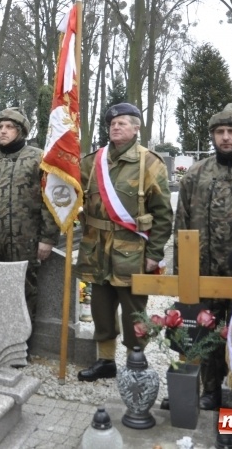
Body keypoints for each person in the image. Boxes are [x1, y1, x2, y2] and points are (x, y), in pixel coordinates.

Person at [173, 102, 232, 410]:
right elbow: (181, 224)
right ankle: (210, 388)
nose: (226, 138)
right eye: (220, 132)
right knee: (208, 330)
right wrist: (182, 274)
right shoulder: (196, 174)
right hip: (205, 270)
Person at [75, 103, 173, 382]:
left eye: (123, 123)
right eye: (112, 123)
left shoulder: (149, 162)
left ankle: (136, 360)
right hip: (96, 249)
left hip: (133, 250)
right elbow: (73, 192)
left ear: (136, 128)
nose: (116, 127)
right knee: (101, 309)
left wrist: (155, 253)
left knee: (134, 310)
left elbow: (163, 213)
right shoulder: (92, 161)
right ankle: (106, 361)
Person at [0, 108, 60, 325]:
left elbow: (51, 202)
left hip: (23, 242)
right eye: (0, 127)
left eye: (9, 127)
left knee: (22, 291)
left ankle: (20, 344)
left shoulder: (39, 159)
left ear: (21, 131)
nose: (3, 132)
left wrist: (47, 239)